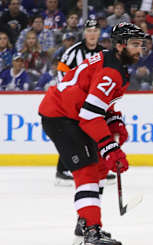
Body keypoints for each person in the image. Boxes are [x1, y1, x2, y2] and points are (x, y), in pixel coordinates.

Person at [38, 23, 147, 245]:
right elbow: (90, 114)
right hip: (62, 116)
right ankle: (92, 235)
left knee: (97, 167)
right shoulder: (112, 70)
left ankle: (84, 226)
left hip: (70, 113)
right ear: (120, 46)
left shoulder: (113, 61)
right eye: (135, 45)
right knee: (87, 171)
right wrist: (111, 148)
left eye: (141, 44)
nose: (140, 50)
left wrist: (114, 119)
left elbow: (97, 100)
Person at [55, 19, 117, 185]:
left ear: (99, 33)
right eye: (89, 30)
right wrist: (70, 96)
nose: (92, 33)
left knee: (94, 133)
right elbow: (61, 73)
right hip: (73, 101)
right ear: (84, 33)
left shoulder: (105, 53)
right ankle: (62, 170)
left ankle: (97, 168)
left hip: (94, 101)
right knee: (72, 134)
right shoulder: (73, 52)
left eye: (95, 30)